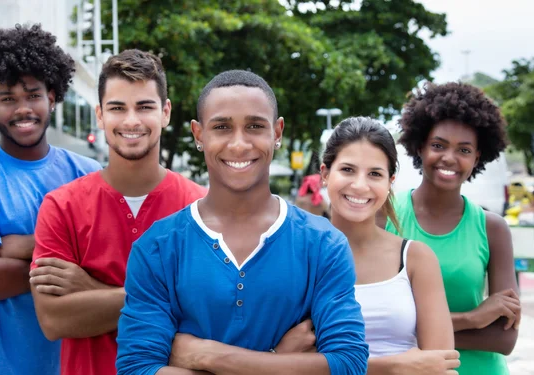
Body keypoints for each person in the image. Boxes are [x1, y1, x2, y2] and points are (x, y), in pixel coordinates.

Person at [115, 70, 369, 375]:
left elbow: (349, 364)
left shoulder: (323, 244)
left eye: (254, 126)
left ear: (277, 133)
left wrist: (209, 356)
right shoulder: (157, 247)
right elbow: (136, 368)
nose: (238, 144)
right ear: (199, 135)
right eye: (222, 127)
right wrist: (279, 359)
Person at [29, 49, 207, 375]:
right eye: (117, 108)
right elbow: (54, 319)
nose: (131, 121)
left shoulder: (202, 208)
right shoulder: (61, 207)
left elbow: (212, 313)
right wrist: (168, 296)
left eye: (144, 107)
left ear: (165, 112)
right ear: (100, 114)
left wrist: (91, 291)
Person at [0, 24, 101, 375]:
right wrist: (72, 265)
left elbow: (110, 264)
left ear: (53, 98)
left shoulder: (87, 173)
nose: (23, 109)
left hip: (71, 365)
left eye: (33, 95)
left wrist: (16, 246)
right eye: (8, 98)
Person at [385, 82, 521, 374]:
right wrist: (473, 318)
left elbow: (504, 338)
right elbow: (372, 322)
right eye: (438, 145)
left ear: (477, 156)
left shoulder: (492, 228)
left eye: (464, 149)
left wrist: (410, 336)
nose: (449, 157)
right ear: (420, 146)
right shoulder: (385, 216)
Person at [320, 117, 459, 374]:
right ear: (325, 174)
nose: (360, 185)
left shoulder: (415, 258)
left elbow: (441, 366)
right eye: (348, 170)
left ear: (390, 182)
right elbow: (286, 361)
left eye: (375, 174)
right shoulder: (298, 253)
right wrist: (392, 366)